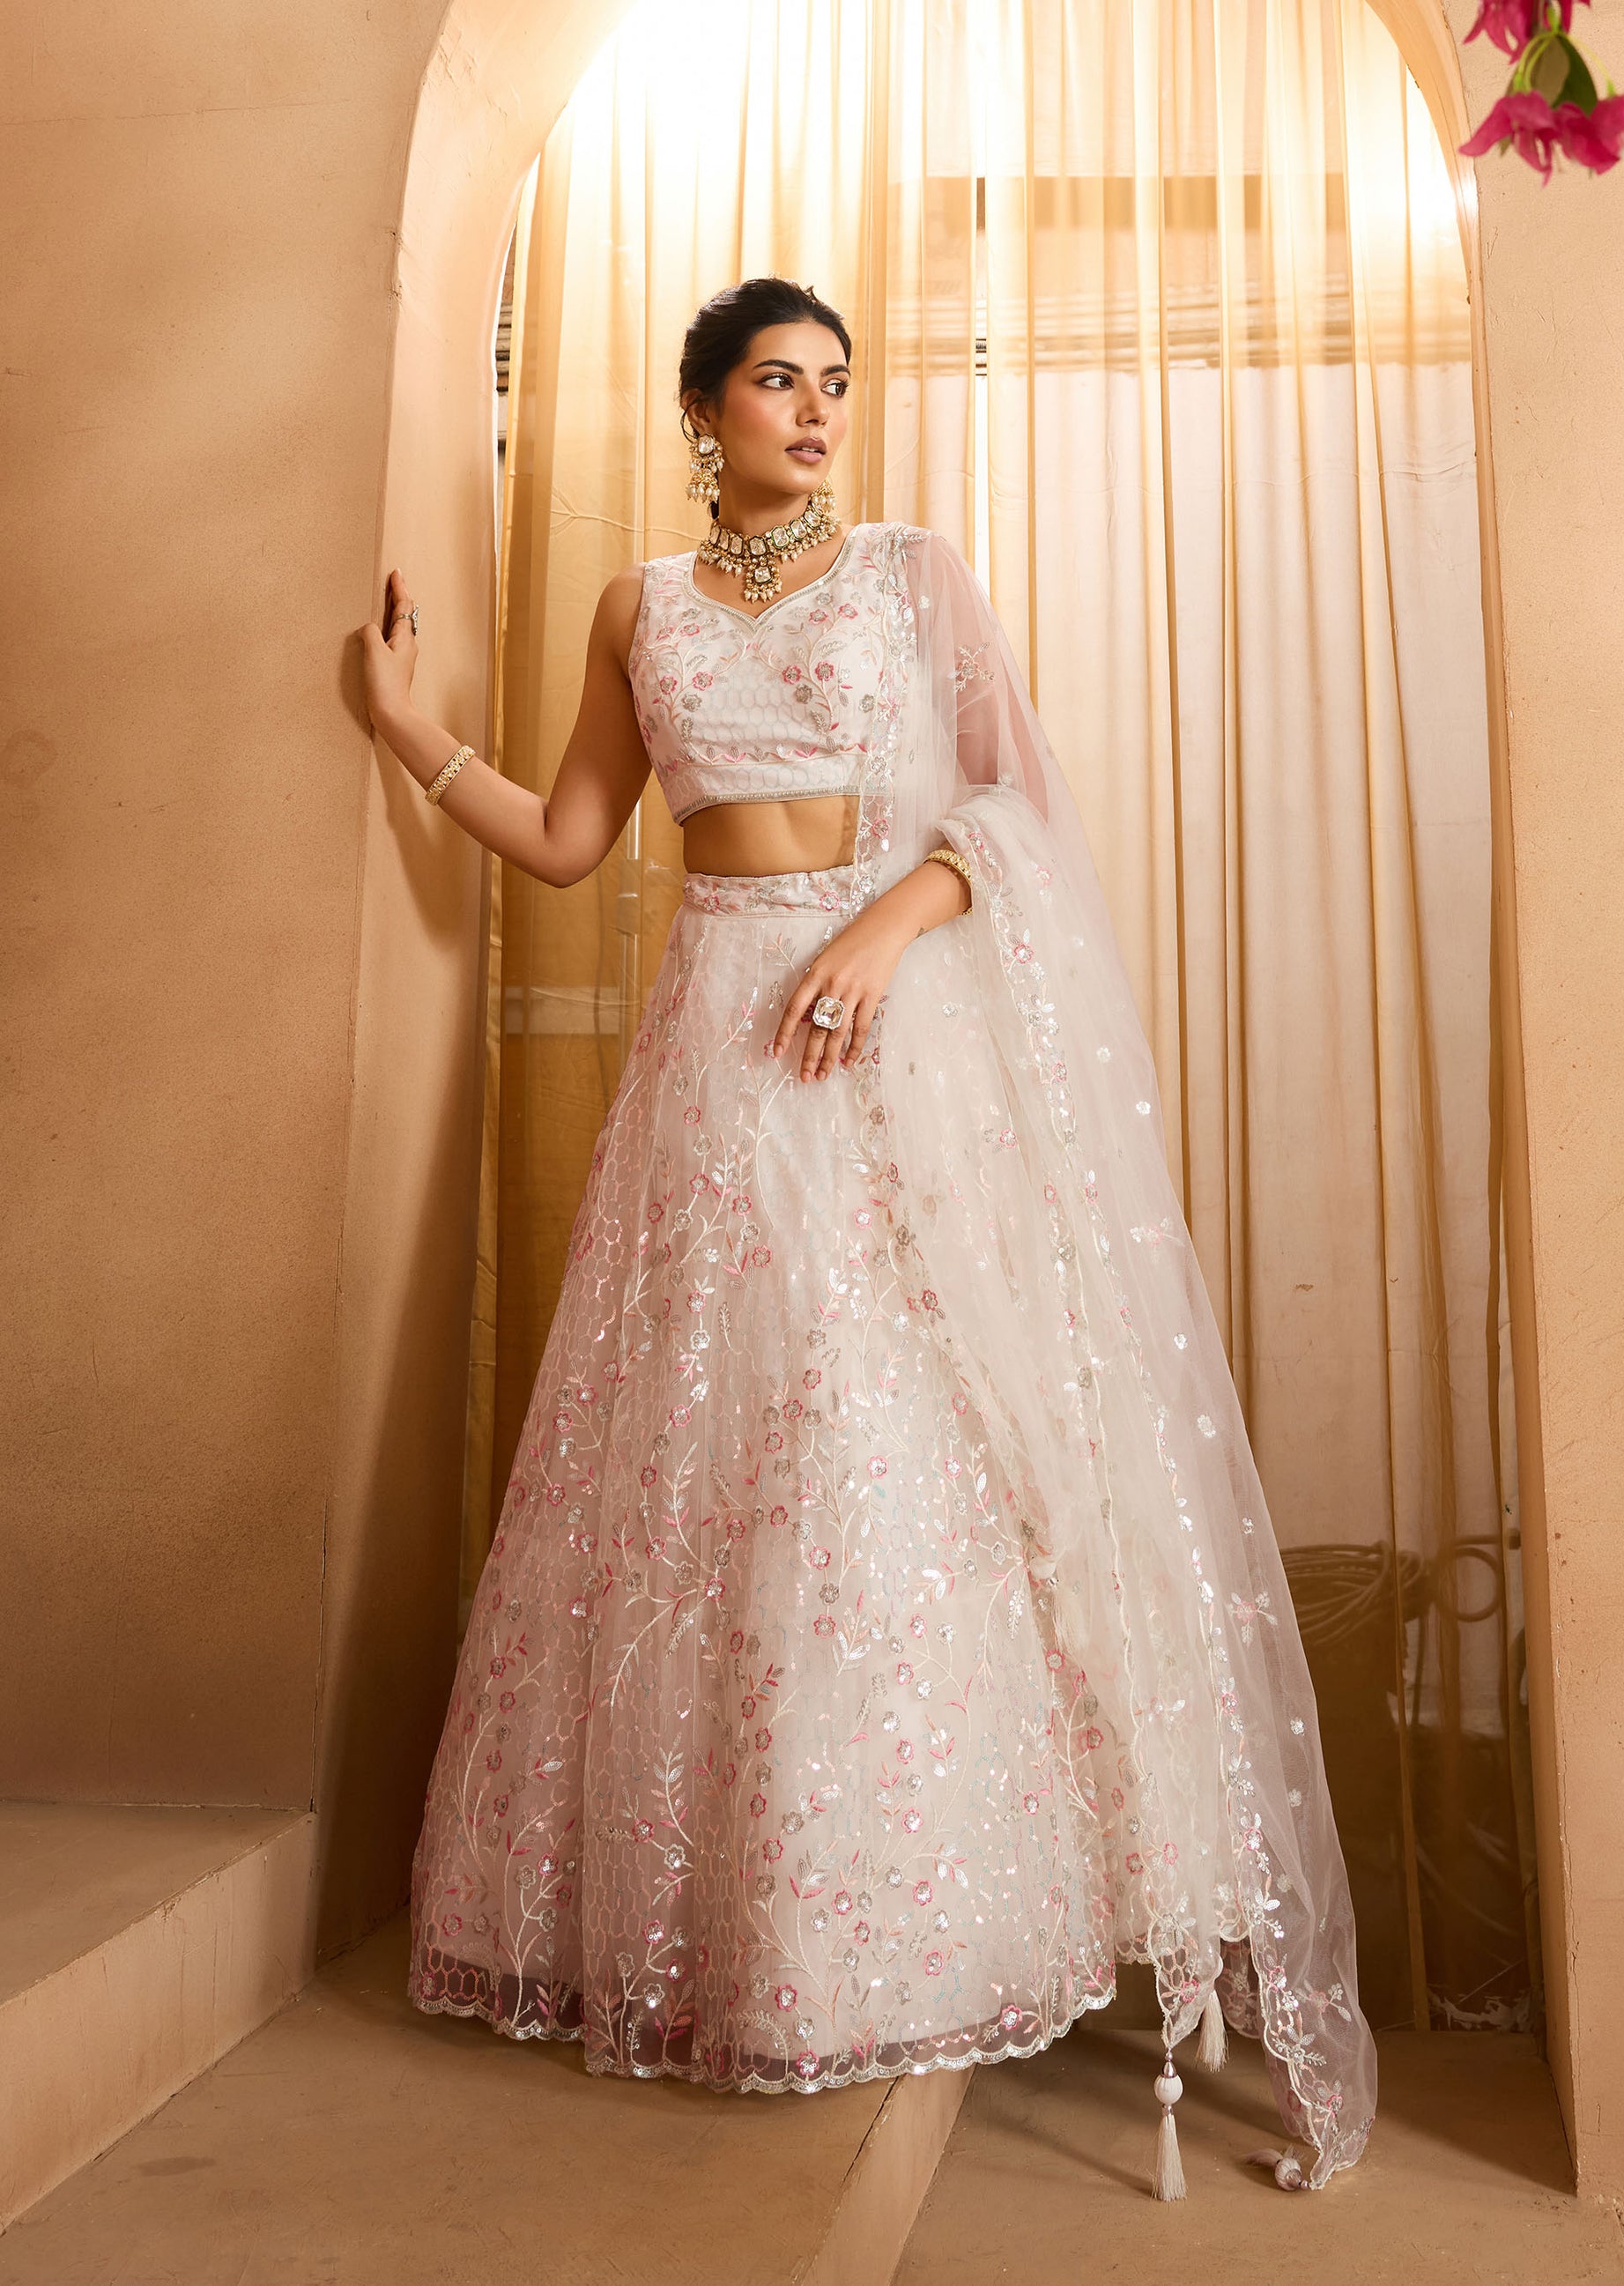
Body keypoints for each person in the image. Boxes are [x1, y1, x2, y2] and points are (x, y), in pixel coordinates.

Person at [358, 275, 1376, 2198]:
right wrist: (413, 733)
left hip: (871, 1036)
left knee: (870, 1435)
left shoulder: (911, 574)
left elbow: (1015, 807)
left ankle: (900, 1922)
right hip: (711, 1049)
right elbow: (573, 839)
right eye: (777, 380)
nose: (816, 410)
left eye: (834, 382)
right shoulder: (637, 608)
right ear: (704, 408)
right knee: (705, 1454)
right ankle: (719, 1928)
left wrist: (885, 928)